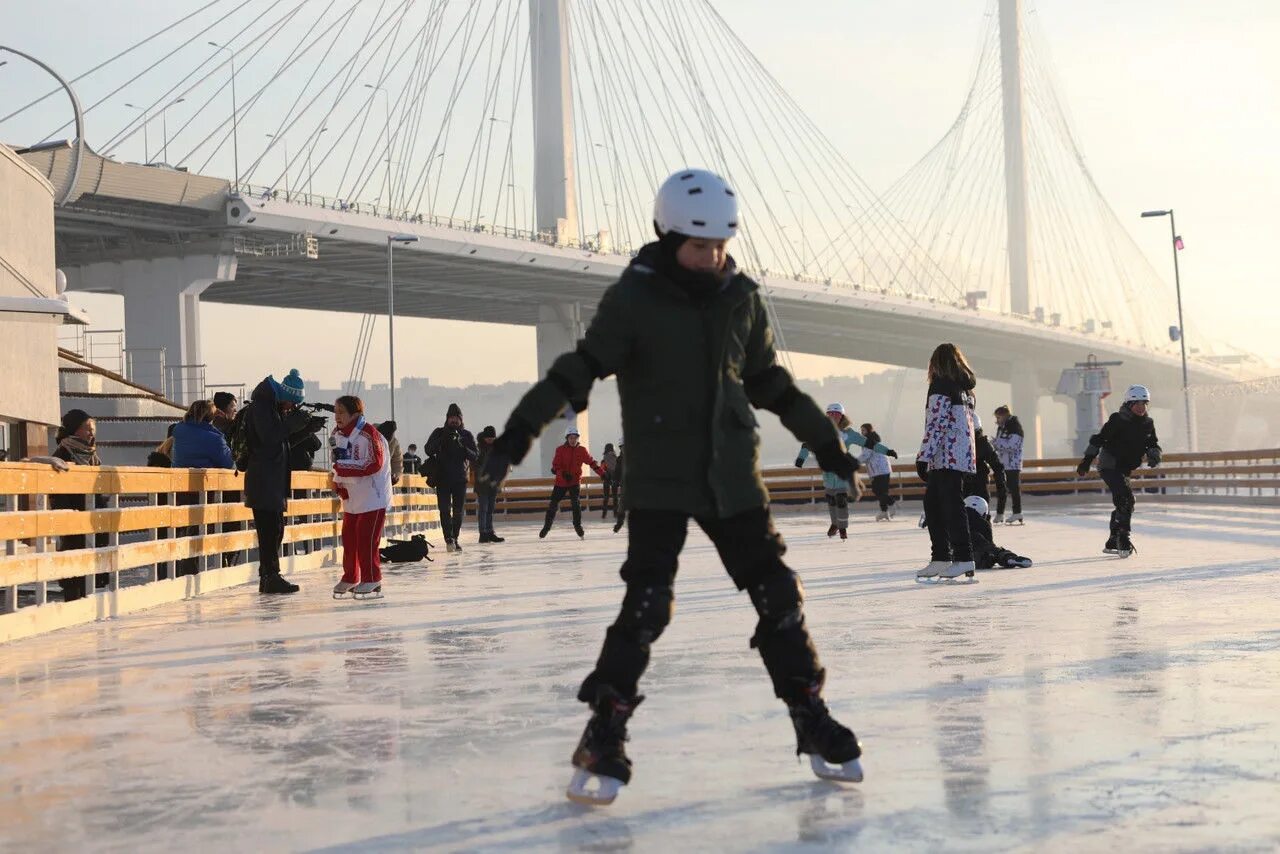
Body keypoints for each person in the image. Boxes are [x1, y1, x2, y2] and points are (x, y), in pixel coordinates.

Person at [478, 168, 864, 805]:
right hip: (660, 479)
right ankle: (605, 730)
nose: (710, 258)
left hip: (732, 479)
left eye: (719, 246)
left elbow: (772, 383)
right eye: (697, 246)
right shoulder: (636, 297)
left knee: (779, 596)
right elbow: (581, 368)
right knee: (648, 605)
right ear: (668, 232)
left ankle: (809, 716)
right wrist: (518, 435)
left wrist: (828, 446)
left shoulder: (743, 298)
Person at [243, 369, 312, 594]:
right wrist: (293, 423)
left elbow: (280, 442)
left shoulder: (271, 407)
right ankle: (270, 576)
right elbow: (269, 438)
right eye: (291, 404)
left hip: (271, 480)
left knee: (275, 530)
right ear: (286, 397)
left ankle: (270, 575)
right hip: (264, 480)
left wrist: (306, 429)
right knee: (269, 530)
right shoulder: (262, 407)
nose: (290, 409)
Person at [915, 343, 978, 582]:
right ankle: (941, 557)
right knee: (934, 504)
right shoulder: (965, 389)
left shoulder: (940, 386)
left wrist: (924, 456)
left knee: (950, 507)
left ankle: (963, 557)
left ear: (935, 363)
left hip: (945, 456)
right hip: (960, 454)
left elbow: (937, 423)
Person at [1076, 384, 1161, 558]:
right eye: (1137, 404)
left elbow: (1152, 443)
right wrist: (1086, 461)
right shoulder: (1117, 420)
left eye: (1144, 404)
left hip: (1124, 469)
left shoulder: (1148, 423)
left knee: (1125, 502)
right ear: (1129, 404)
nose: (1141, 407)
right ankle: (1123, 537)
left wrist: (1154, 454)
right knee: (1126, 498)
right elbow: (1098, 440)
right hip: (1109, 466)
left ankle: (1113, 539)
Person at [795, 403, 896, 539]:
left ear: (842, 417)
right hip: (828, 471)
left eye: (836, 415)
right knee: (831, 499)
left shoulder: (849, 434)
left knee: (841, 499)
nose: (833, 417)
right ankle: (835, 524)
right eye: (829, 414)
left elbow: (869, 443)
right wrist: (801, 458)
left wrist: (887, 451)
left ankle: (843, 527)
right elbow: (807, 444)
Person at [331, 396, 391, 599]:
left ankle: (372, 578)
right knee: (349, 539)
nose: (337, 416)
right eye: (335, 411)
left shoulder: (370, 434)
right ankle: (350, 576)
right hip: (352, 498)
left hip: (373, 496)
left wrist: (343, 469)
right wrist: (338, 482)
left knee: (367, 540)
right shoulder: (337, 434)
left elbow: (374, 463)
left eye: (341, 412)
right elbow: (337, 462)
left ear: (355, 414)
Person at [50, 409, 110, 601]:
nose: (91, 432)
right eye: (87, 428)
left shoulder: (92, 455)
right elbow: (57, 489)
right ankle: (73, 602)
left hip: (92, 516)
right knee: (74, 564)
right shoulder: (63, 453)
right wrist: (67, 514)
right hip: (74, 517)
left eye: (93, 428)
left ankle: (85, 601)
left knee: (91, 563)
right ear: (74, 429)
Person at [425, 403, 478, 552]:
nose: (454, 421)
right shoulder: (439, 432)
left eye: (456, 418)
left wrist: (462, 446)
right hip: (442, 478)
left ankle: (455, 538)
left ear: (461, 420)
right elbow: (428, 449)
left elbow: (475, 455)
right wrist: (443, 439)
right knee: (444, 510)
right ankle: (448, 538)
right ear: (447, 419)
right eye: (451, 418)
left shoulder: (466, 435)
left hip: (460, 479)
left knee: (458, 511)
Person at [541, 427, 606, 539]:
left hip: (574, 482)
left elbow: (592, 463)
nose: (573, 440)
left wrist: (602, 473)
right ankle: (547, 526)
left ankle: (577, 526)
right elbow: (555, 466)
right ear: (567, 438)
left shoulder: (582, 450)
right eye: (571, 438)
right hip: (561, 482)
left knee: (576, 504)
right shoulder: (560, 450)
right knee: (553, 504)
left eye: (575, 438)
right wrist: (563, 473)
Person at [963, 496, 1032, 569]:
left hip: (957, 553)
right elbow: (989, 544)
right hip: (975, 556)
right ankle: (1008, 557)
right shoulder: (983, 523)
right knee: (993, 552)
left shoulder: (957, 518)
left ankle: (1004, 557)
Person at [172, 399, 235, 469]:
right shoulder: (215, 439)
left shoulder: (178, 430)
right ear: (213, 417)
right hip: (205, 479)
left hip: (179, 477)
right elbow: (229, 463)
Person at [856, 423, 897, 521]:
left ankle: (891, 503)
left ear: (869, 431)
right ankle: (884, 511)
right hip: (883, 469)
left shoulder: (869, 441)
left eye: (864, 430)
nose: (862, 433)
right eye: (861, 430)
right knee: (882, 491)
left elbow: (866, 455)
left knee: (877, 490)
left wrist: (854, 462)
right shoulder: (873, 440)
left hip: (879, 470)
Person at [992, 404, 1024, 524]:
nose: (997, 420)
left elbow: (1013, 446)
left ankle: (1017, 512)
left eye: (998, 417)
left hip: (1012, 463)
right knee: (1001, 489)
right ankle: (1000, 513)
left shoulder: (1015, 427)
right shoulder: (1002, 427)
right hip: (1002, 462)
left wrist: (996, 443)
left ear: (1004, 415)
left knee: (1013, 488)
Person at [474, 426, 504, 543]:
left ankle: (490, 532)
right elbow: (474, 464)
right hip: (482, 484)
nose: (490, 440)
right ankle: (483, 533)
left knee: (490, 509)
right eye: (488, 438)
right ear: (484, 438)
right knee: (483, 509)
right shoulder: (479, 448)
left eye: (492, 438)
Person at [378, 420, 404, 485]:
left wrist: (396, 475)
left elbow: (397, 462)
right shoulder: (367, 435)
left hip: (383, 478)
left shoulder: (394, 443)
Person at [600, 443, 621, 520]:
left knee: (606, 497)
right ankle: (615, 513)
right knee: (615, 497)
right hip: (614, 479)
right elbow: (618, 469)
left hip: (607, 480)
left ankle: (604, 515)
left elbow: (601, 470)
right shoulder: (615, 458)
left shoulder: (604, 459)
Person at [611, 442, 626, 534]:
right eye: (622, 447)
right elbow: (617, 472)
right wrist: (615, 481)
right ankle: (619, 524)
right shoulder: (619, 459)